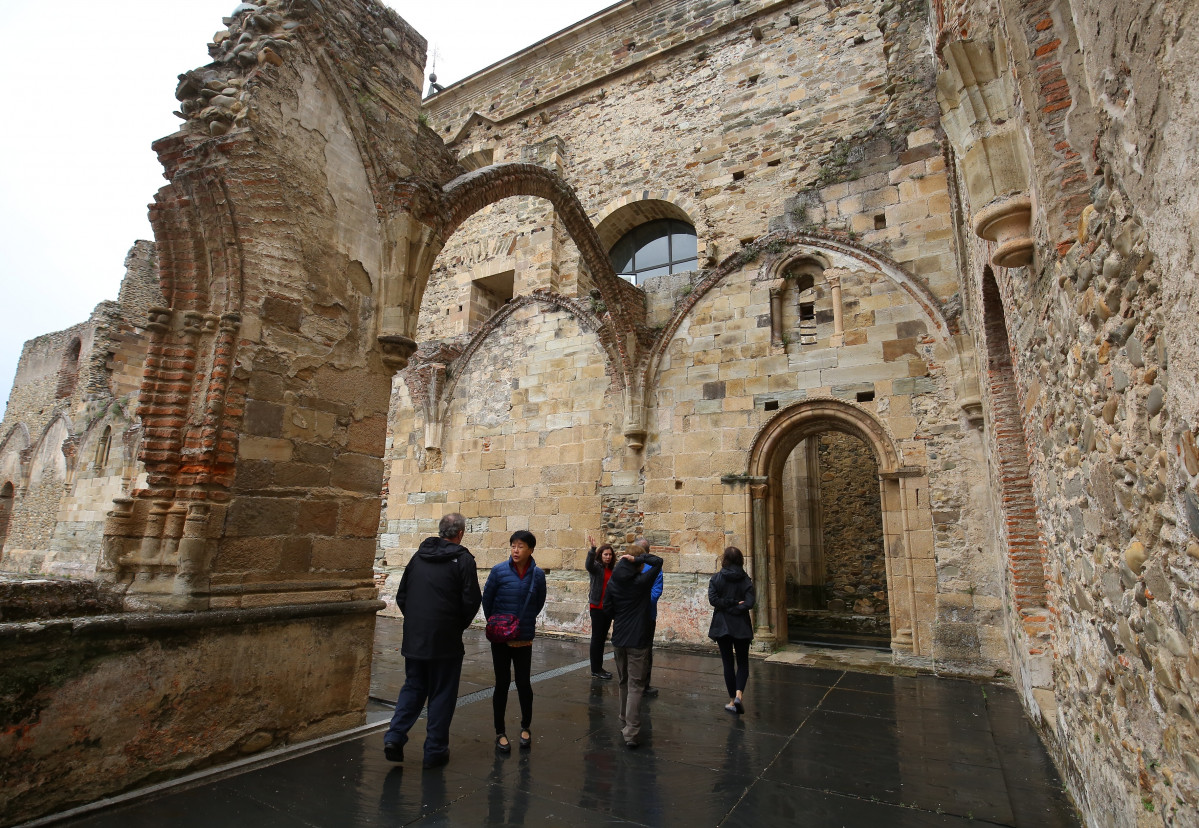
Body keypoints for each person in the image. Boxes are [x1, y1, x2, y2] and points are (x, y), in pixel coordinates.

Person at [384, 512, 482, 768]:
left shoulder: (418, 557)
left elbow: (402, 595)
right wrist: (453, 626)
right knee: (442, 693)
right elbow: (471, 601)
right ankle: (435, 750)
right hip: (445, 640)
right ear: (460, 533)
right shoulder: (463, 560)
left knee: (413, 686)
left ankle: (394, 736)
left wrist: (418, 623)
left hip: (415, 638)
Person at [482, 530, 547, 753]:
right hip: (501, 638)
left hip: (523, 637)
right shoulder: (499, 571)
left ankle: (525, 726)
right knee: (501, 683)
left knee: (523, 683)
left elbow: (538, 602)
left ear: (530, 549)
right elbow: (487, 601)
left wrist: (522, 623)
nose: (516, 550)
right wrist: (499, 623)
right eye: (513, 546)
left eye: (520, 546)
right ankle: (500, 731)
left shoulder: (537, 575)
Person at [604, 546, 664, 748]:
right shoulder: (641, 583)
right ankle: (631, 731)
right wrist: (640, 557)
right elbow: (658, 562)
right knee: (636, 685)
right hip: (638, 638)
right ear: (637, 565)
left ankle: (624, 716)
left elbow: (607, 608)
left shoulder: (613, 582)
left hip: (620, 637)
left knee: (623, 681)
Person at [707, 546, 756, 714]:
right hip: (741, 624)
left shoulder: (717, 578)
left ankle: (731, 700)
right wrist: (736, 604)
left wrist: (727, 604)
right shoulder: (745, 580)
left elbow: (713, 600)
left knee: (728, 663)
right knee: (743, 662)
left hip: (723, 625)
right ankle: (739, 696)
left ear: (725, 559)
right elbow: (749, 603)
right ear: (740, 560)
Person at [631, 537, 665, 697]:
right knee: (639, 650)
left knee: (645, 650)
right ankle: (638, 683)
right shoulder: (628, 566)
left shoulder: (653, 568)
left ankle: (643, 684)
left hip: (645, 615)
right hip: (634, 615)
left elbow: (655, 592)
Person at [585, 533, 616, 679]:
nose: (608, 557)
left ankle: (599, 667)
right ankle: (595, 669)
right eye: (605, 554)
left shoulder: (613, 570)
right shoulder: (596, 568)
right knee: (597, 638)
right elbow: (588, 565)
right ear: (601, 555)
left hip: (608, 608)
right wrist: (592, 549)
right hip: (597, 607)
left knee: (602, 638)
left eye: (610, 554)